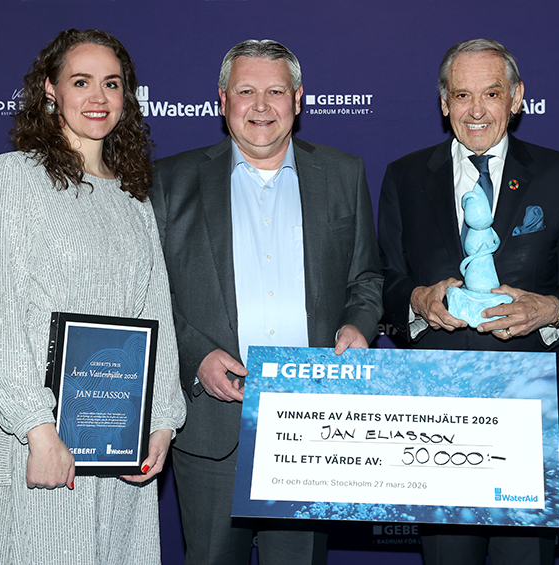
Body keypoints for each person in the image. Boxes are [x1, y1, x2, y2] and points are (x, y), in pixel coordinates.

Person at [149, 39, 383, 565]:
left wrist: (358, 325)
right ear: (222, 100)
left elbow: (366, 277)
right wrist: (195, 357)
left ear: (298, 99)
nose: (260, 106)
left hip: (312, 426)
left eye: (275, 92)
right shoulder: (169, 181)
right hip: (213, 427)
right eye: (245, 91)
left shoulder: (343, 173)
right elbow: (151, 296)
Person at [0, 29, 186, 564]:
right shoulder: (13, 179)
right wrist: (38, 429)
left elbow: (155, 313)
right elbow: (0, 317)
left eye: (111, 84)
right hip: (44, 446)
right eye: (81, 81)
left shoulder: (133, 197)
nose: (98, 98)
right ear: (51, 90)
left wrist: (161, 421)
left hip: (119, 446)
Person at [378, 38, 559, 565]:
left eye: (491, 94)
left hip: (527, 416)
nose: (476, 110)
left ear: (516, 98)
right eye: (462, 95)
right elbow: (384, 284)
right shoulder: (404, 176)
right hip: (436, 424)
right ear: (444, 103)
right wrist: (417, 300)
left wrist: (547, 310)